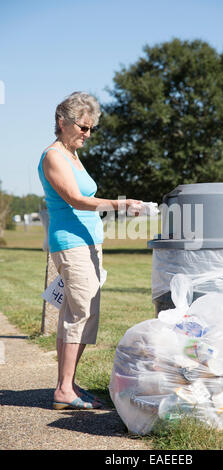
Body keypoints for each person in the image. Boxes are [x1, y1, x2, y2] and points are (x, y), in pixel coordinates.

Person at [38, 91, 142, 410]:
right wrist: (119, 204)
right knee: (79, 311)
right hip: (71, 244)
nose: (87, 133)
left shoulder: (73, 155)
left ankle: (68, 385)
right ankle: (63, 390)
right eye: (83, 127)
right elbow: (75, 198)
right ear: (62, 122)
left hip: (88, 243)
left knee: (86, 312)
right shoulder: (53, 156)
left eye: (91, 128)